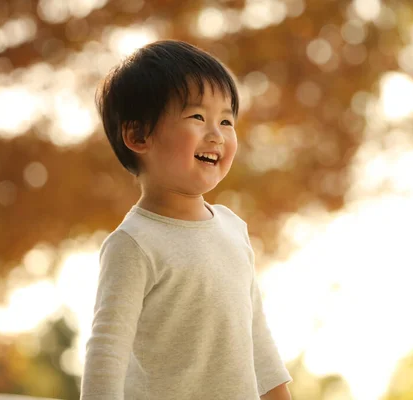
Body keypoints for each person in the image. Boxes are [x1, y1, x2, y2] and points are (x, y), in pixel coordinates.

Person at [80, 40, 292, 400]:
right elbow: (106, 353)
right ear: (137, 135)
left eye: (227, 120)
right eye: (197, 117)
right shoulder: (133, 243)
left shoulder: (233, 228)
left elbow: (257, 336)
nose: (217, 134)